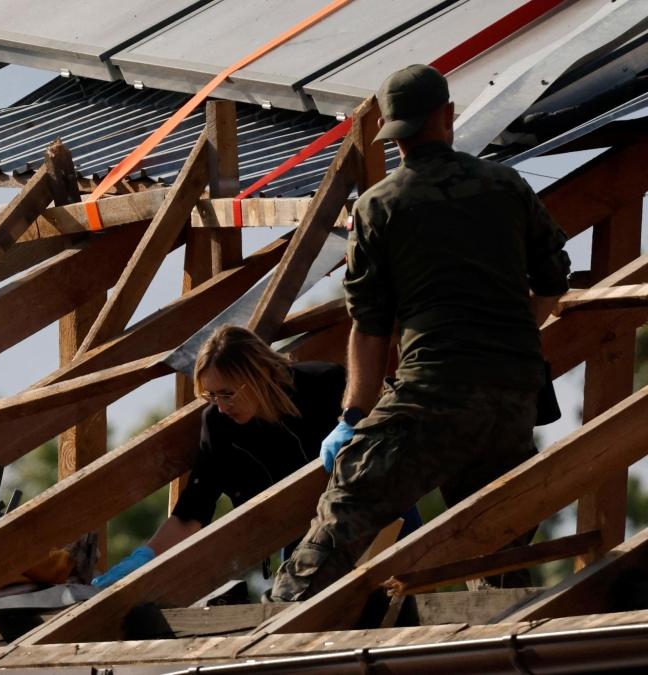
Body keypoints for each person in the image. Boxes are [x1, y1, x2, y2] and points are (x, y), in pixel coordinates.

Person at [270, 64, 571, 602]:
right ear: (447, 115)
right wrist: (512, 340)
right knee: (495, 541)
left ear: (392, 132)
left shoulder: (380, 206)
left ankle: (274, 628)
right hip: (513, 397)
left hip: (432, 393)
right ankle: (503, 632)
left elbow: (370, 326)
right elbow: (552, 280)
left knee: (345, 512)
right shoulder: (505, 186)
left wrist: (353, 417)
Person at [93, 325, 359, 589]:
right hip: (299, 536)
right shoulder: (219, 425)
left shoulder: (324, 383)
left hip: (359, 509)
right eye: (211, 395)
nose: (221, 406)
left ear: (260, 373)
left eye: (227, 393)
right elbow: (194, 509)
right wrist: (145, 557)